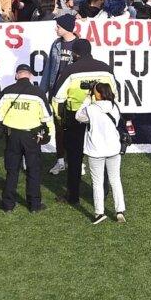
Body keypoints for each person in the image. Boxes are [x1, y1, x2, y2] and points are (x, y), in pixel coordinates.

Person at [51, 38, 118, 206]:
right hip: (101, 117)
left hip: (76, 118)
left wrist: (60, 119)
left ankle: (73, 196)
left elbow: (57, 98)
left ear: (75, 53)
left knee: (74, 158)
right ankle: (103, 194)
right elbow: (115, 94)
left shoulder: (71, 70)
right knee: (100, 155)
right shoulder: (105, 69)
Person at [0, 64, 53, 213]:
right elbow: (47, 118)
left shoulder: (7, 91)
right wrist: (48, 135)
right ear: (30, 76)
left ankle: (8, 204)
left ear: (17, 75)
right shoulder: (38, 93)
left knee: (12, 171)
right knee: (33, 170)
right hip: (32, 136)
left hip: (12, 135)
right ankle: (34, 205)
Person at [76, 81, 127, 224]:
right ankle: (120, 211)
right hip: (113, 149)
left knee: (98, 182)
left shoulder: (91, 109)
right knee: (115, 180)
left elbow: (78, 116)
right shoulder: (115, 106)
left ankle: (99, 213)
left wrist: (87, 97)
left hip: (96, 151)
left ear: (97, 94)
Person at [42, 13, 78, 175]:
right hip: (56, 92)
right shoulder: (56, 44)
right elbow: (49, 68)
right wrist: (43, 91)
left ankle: (75, 160)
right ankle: (60, 160)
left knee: (74, 128)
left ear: (67, 28)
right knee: (58, 128)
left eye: (58, 26)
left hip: (72, 94)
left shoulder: (79, 45)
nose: (56, 28)